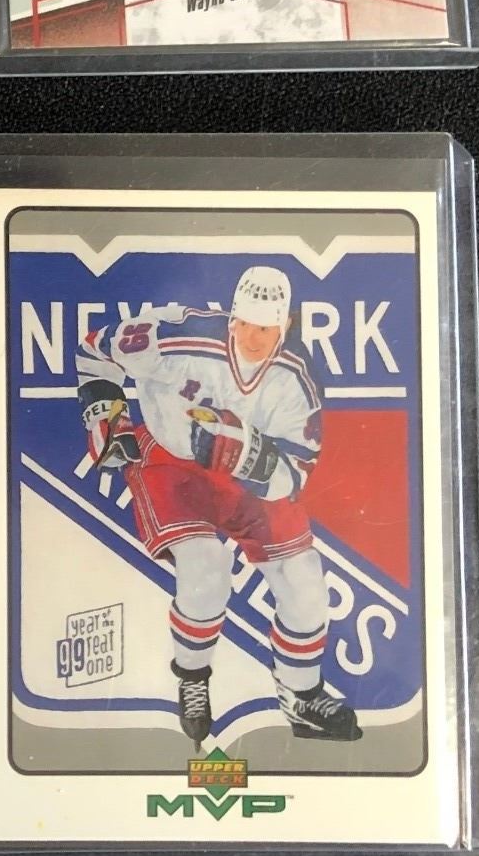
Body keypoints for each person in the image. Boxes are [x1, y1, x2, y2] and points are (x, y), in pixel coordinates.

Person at [76, 264, 360, 744]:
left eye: (266, 328)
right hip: (172, 463)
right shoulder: (176, 337)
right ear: (232, 317)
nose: (252, 337)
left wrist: (252, 456)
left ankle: (302, 695)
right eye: (244, 323)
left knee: (303, 581)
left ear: (286, 324)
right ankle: (192, 678)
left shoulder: (299, 378)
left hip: (246, 480)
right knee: (206, 570)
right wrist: (106, 411)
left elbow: (294, 474)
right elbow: (94, 348)